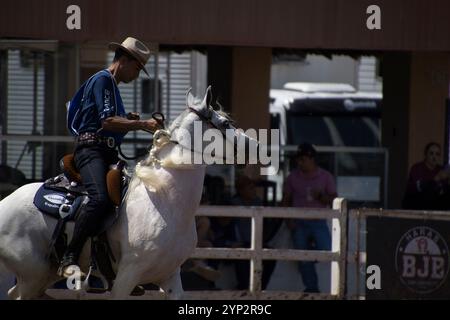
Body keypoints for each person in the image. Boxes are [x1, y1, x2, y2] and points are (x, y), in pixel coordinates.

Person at [58, 37, 161, 278]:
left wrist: (129, 118)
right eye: (137, 68)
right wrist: (142, 123)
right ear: (124, 60)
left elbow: (108, 118)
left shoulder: (110, 85)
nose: (137, 75)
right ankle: (69, 256)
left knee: (127, 204)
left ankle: (109, 266)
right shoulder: (103, 79)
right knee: (100, 199)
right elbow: (107, 122)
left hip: (106, 152)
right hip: (91, 151)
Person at [282, 143, 337, 293]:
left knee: (326, 251)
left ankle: (309, 255)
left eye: (303, 159)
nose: (300, 163)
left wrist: (321, 196)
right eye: (298, 160)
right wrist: (288, 220)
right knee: (302, 254)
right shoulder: (292, 177)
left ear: (312, 159)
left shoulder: (325, 176)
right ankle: (312, 288)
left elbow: (335, 200)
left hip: (319, 221)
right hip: (299, 222)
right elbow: (286, 199)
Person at [231, 175, 277, 290]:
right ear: (241, 190)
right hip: (238, 243)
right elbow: (228, 228)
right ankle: (244, 289)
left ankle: (260, 288)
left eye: (253, 187)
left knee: (271, 256)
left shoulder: (257, 202)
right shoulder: (234, 204)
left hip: (255, 242)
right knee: (241, 258)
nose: (254, 190)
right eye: (250, 188)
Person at [402, 142, 450, 210]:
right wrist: (436, 179)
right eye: (431, 153)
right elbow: (421, 192)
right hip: (417, 206)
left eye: (437, 154)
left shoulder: (441, 169)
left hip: (436, 208)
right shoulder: (417, 168)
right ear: (425, 154)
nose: (434, 157)